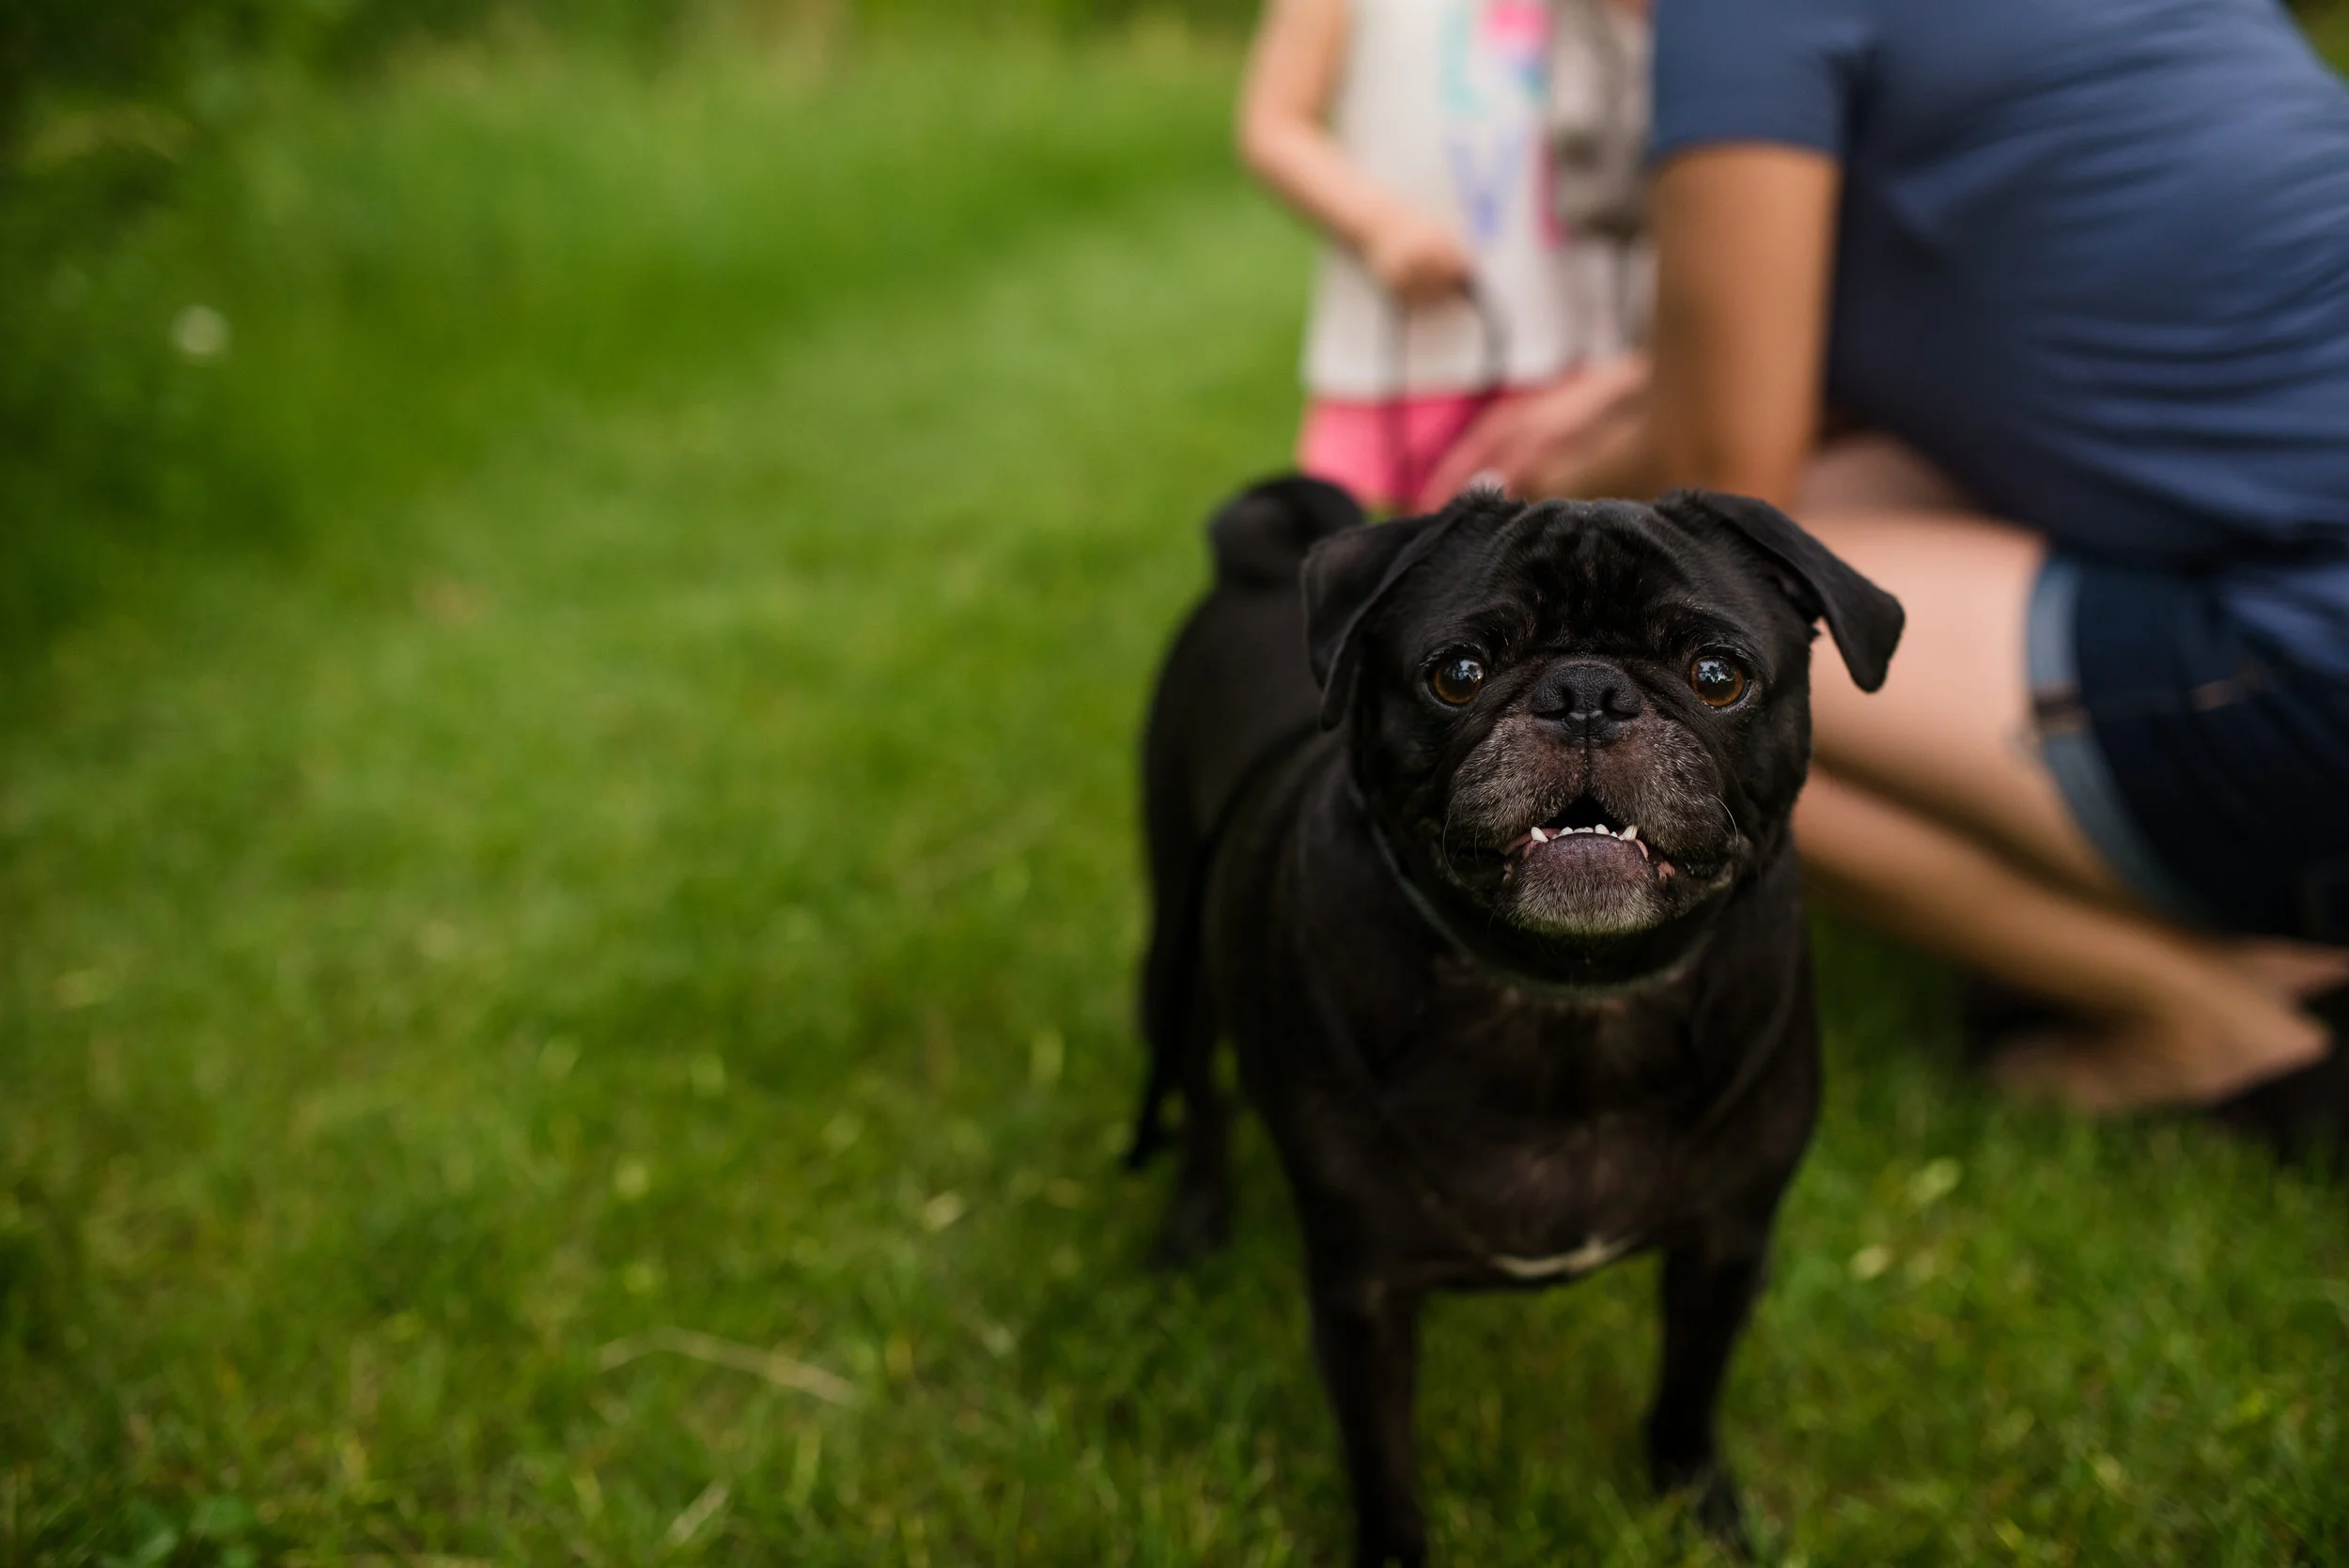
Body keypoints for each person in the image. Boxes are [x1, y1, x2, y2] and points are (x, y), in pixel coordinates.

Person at [1424, 0, 2349, 1128]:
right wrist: (1641, 383)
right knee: (1809, 510)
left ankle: (2206, 1012)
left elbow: (1725, 462)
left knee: (1633, 620)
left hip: (2315, 684)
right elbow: (1971, 299)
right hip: (2295, 585)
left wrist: (1506, 515)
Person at [1238, 0, 1651, 512]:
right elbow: (1276, 123)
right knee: (1423, 563)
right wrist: (1381, 228)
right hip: (1416, 353)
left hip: (1581, 350)